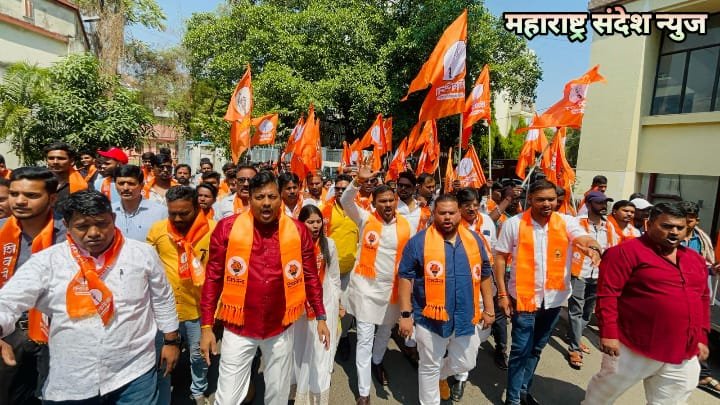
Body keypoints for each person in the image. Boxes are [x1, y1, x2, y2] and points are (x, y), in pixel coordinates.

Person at [0, 190, 180, 404]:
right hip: (74, 378)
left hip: (135, 369)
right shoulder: (47, 261)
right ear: (67, 225)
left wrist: (171, 341)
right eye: (82, 226)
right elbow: (8, 301)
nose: (94, 233)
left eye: (102, 224)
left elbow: (162, 298)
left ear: (113, 218)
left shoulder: (141, 253)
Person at [199, 171, 330, 405]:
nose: (266, 203)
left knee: (277, 395)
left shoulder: (298, 231)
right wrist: (207, 326)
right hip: (238, 327)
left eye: (272, 196)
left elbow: (310, 276)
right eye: (260, 197)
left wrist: (321, 316)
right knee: (227, 398)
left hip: (280, 327)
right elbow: (213, 278)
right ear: (249, 198)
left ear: (280, 197)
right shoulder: (227, 228)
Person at [583, 203, 712, 404]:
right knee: (603, 395)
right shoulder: (624, 253)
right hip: (633, 345)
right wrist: (609, 334)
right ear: (648, 224)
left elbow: (703, 298)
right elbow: (608, 295)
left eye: (680, 227)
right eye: (667, 226)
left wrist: (702, 336)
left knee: (673, 400)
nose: (674, 232)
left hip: (683, 350)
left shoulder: (695, 259)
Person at [494, 179, 601, 405]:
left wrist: (592, 246)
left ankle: (524, 392)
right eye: (541, 199)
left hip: (553, 301)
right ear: (530, 199)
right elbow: (500, 258)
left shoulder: (566, 222)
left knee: (536, 349)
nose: (547, 204)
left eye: (551, 199)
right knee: (520, 351)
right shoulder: (514, 224)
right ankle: (513, 400)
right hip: (524, 300)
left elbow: (581, 237)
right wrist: (502, 295)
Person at [398, 194, 495, 405]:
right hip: (430, 319)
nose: (447, 217)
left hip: (465, 316)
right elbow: (405, 278)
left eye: (452, 212)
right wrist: (405, 315)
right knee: (429, 366)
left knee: (466, 362)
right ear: (434, 214)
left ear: (460, 213)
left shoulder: (474, 240)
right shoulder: (418, 242)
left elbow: (485, 274)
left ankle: (439, 375)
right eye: (442, 213)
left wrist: (489, 308)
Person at [341, 163, 416, 405]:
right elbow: (345, 201)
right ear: (374, 203)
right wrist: (358, 182)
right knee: (364, 338)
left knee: (384, 333)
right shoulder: (364, 218)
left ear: (396, 201)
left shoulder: (407, 226)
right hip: (366, 289)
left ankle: (377, 361)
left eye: (391, 200)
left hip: (392, 291)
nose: (387, 204)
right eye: (382, 201)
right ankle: (364, 392)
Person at [0, 167, 65, 405]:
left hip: (58, 334)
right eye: (14, 194)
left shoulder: (70, 235)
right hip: (9, 333)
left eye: (31, 195)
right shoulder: (2, 231)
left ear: (52, 198)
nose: (20, 201)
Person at [147, 186, 216, 405]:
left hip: (198, 309)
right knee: (162, 356)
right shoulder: (158, 230)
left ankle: (198, 390)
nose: (177, 219)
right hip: (165, 311)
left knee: (198, 355)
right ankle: (163, 396)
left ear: (197, 207)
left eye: (184, 213)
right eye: (172, 213)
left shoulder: (214, 231)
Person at [293, 205, 341, 404]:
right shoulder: (293, 244)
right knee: (299, 348)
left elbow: (334, 276)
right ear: (301, 224)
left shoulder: (329, 244)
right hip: (300, 305)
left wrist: (337, 301)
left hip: (324, 303)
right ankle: (297, 388)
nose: (315, 226)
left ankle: (315, 393)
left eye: (318, 221)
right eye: (310, 222)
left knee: (319, 350)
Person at [566, 191, 618, 369]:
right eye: (599, 202)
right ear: (588, 205)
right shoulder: (577, 223)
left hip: (598, 275)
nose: (603, 206)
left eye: (605, 202)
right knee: (576, 310)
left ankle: (576, 336)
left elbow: (612, 249)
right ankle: (574, 348)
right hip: (578, 272)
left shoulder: (609, 226)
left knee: (588, 312)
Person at [677, 201, 719, 395]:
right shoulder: (668, 238)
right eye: (683, 218)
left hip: (695, 293)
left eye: (690, 219)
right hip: (672, 292)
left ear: (697, 220)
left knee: (698, 331)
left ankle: (703, 374)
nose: (686, 222)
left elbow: (705, 264)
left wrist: (713, 268)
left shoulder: (701, 239)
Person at [321, 174, 358, 361]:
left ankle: (343, 338)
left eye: (345, 188)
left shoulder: (358, 210)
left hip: (352, 269)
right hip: (330, 270)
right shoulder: (325, 210)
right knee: (330, 305)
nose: (341, 191)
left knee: (347, 307)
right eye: (338, 188)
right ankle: (327, 340)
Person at [112, 165, 167, 242]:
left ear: (142, 185)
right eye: (121, 183)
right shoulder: (109, 211)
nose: (125, 188)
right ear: (115, 185)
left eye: (131, 183)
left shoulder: (160, 212)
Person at [45, 141, 88, 207]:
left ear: (71, 161)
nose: (55, 162)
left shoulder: (84, 183)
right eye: (51, 158)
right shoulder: (39, 181)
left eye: (61, 158)